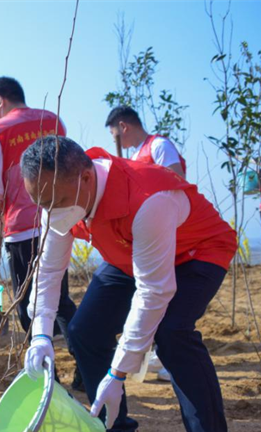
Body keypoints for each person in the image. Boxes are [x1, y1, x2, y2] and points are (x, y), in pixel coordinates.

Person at [22, 135, 245, 432]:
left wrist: (119, 373)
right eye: (42, 203)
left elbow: (154, 292)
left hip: (195, 252)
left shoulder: (148, 199)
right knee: (83, 331)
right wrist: (41, 335)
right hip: (131, 255)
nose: (51, 211)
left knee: (173, 335)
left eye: (57, 202)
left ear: (86, 179)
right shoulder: (60, 199)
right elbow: (48, 271)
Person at [0, 76, 79, 387]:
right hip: (59, 218)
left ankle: (47, 376)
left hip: (21, 227)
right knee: (60, 299)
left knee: (28, 302)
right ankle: (86, 364)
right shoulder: (54, 121)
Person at [106, 105, 188, 380]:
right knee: (147, 293)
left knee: (164, 293)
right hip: (146, 234)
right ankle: (156, 353)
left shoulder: (159, 145)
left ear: (123, 127)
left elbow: (175, 181)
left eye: (114, 133)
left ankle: (167, 359)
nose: (115, 139)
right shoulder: (135, 154)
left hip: (167, 230)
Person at [105, 105, 187, 180]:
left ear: (123, 127)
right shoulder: (133, 159)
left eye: (112, 132)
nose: (113, 140)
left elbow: (178, 184)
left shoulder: (159, 145)